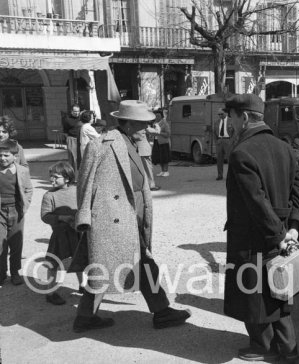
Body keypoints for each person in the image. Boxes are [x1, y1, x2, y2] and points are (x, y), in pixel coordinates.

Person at [72, 100, 190, 333]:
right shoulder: (101, 145)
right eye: (142, 124)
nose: (147, 128)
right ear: (126, 123)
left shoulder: (131, 142)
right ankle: (86, 317)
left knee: (141, 261)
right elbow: (84, 184)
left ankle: (161, 311)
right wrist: (84, 216)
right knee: (105, 268)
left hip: (132, 212)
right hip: (112, 217)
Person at [223, 94, 299, 363]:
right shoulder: (283, 146)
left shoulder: (242, 152)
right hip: (279, 230)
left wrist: (280, 235)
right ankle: (285, 349)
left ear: (245, 117)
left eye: (232, 117)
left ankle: (266, 347)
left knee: (254, 294)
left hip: (254, 235)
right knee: (278, 293)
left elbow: (256, 202)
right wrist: (293, 226)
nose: (230, 122)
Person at [41, 161, 83, 305]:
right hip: (60, 235)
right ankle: (50, 292)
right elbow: (45, 216)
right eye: (51, 176)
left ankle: (82, 286)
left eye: (56, 176)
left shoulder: (77, 191)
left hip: (77, 233)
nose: (52, 179)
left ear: (67, 178)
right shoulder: (49, 196)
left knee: (80, 260)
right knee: (53, 263)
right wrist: (61, 217)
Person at [0, 140, 33, 286]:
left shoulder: (22, 171)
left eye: (6, 155)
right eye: (0, 156)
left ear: (15, 156)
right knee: (0, 243)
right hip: (0, 211)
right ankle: (1, 273)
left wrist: (25, 205)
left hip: (16, 211)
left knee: (16, 243)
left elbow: (28, 189)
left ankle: (15, 272)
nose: (2, 158)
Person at [135, 127, 160, 191]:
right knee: (148, 169)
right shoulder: (143, 125)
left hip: (136, 149)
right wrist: (157, 125)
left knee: (139, 169)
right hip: (144, 150)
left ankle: (142, 185)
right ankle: (151, 185)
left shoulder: (132, 124)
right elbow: (157, 132)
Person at [149, 108, 171, 177]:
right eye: (156, 116)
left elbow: (168, 134)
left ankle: (166, 171)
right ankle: (162, 171)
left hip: (164, 142)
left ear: (161, 116)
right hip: (156, 141)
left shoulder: (164, 123)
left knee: (165, 157)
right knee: (159, 157)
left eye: (158, 116)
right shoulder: (155, 124)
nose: (157, 117)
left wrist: (159, 132)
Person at [214, 108, 233, 180]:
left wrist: (231, 141)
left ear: (226, 113)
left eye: (222, 114)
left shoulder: (231, 121)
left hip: (228, 141)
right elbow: (214, 133)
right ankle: (220, 175)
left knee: (230, 159)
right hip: (220, 141)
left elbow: (235, 132)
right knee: (219, 160)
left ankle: (231, 176)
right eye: (219, 114)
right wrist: (216, 141)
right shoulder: (216, 122)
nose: (220, 116)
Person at [61, 104, 82, 171]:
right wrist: (68, 140)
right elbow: (65, 131)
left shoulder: (81, 119)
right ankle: (72, 175)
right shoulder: (67, 120)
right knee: (72, 158)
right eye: (75, 111)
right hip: (72, 139)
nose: (76, 113)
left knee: (80, 158)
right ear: (71, 111)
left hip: (81, 140)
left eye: (78, 111)